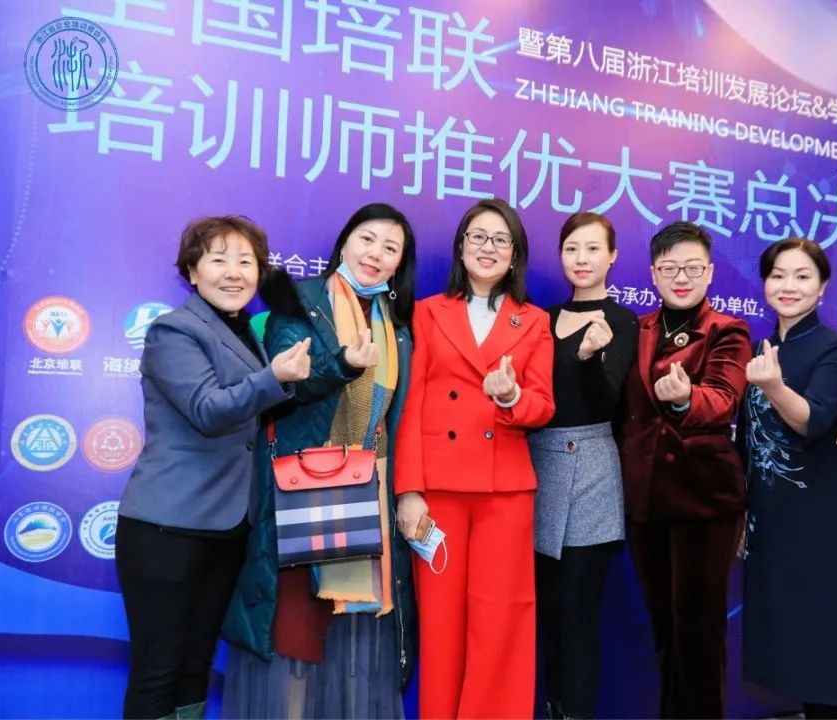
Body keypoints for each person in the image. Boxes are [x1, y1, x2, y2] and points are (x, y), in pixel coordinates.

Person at [221, 203, 419, 719]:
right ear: (344, 241)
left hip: (369, 499)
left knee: (352, 650)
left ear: (399, 264)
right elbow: (293, 384)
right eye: (367, 239)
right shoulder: (302, 301)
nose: (376, 254)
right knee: (298, 639)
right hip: (304, 496)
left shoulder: (397, 328)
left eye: (391, 248)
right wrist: (344, 364)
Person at [115, 216, 309, 719]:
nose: (234, 272)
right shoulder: (173, 331)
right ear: (192, 272)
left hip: (226, 526)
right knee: (159, 669)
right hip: (167, 526)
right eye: (219, 259)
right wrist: (274, 377)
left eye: (246, 261)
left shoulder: (243, 331)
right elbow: (207, 409)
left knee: (196, 663)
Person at [393, 197, 555, 719]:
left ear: (515, 255)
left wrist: (510, 397)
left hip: (504, 491)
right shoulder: (426, 312)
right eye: (478, 237)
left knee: (501, 622)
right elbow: (410, 406)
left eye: (500, 240)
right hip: (438, 490)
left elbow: (542, 406)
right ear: (461, 247)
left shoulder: (534, 321)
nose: (488, 248)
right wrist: (409, 490)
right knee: (440, 625)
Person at [618, 221, 751, 718]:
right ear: (653, 273)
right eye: (670, 267)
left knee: (698, 633)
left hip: (704, 501)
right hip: (646, 500)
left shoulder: (728, 330)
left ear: (710, 273)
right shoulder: (637, 328)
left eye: (692, 268)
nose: (681, 277)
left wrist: (684, 400)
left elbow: (723, 397)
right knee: (664, 629)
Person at [737, 238, 837, 719]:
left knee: (821, 638)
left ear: (822, 287)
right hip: (768, 515)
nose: (789, 286)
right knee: (784, 637)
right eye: (778, 275)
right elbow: (747, 438)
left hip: (818, 515)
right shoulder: (759, 348)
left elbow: (814, 420)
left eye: (803, 276)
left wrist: (774, 386)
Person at [529, 212, 639, 720]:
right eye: (572, 248)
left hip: (592, 466)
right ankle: (553, 709)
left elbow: (607, 401)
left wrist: (592, 357)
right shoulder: (541, 318)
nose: (581, 258)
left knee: (577, 608)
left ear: (612, 256)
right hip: (537, 466)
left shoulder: (620, 320)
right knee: (547, 607)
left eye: (593, 248)